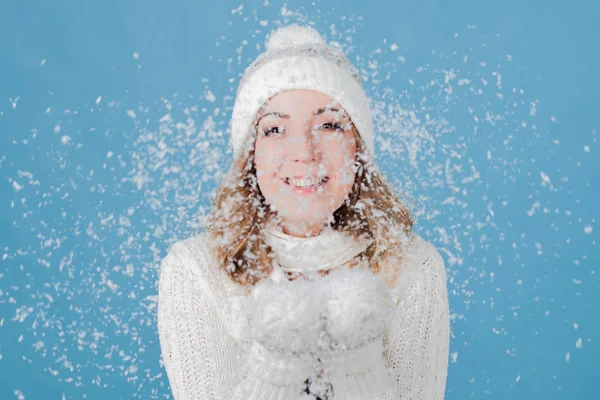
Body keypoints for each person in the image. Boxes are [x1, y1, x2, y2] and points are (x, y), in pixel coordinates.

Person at [157, 24, 450, 400]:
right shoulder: (197, 269)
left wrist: (354, 362)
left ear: (358, 149)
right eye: (275, 129)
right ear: (250, 155)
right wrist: (276, 368)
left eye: (329, 125)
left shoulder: (413, 266)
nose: (305, 152)